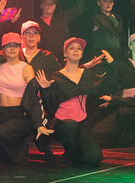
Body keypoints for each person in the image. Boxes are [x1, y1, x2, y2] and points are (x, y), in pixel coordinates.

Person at [0, 32, 48, 164]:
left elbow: (33, 97)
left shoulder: (26, 68)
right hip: (2, 116)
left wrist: (38, 123)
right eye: (9, 45)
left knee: (3, 131)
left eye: (16, 45)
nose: (12, 48)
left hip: (20, 115)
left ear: (20, 48)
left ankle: (21, 150)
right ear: (3, 48)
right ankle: (7, 151)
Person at [34, 37, 107, 166]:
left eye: (79, 48)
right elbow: (49, 106)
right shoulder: (56, 77)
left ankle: (76, 152)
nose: (75, 51)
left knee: (94, 157)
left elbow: (101, 86)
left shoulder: (87, 74)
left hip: (81, 122)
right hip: (62, 124)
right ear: (65, 53)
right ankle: (68, 155)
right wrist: (46, 89)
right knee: (71, 125)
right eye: (71, 48)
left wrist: (112, 65)